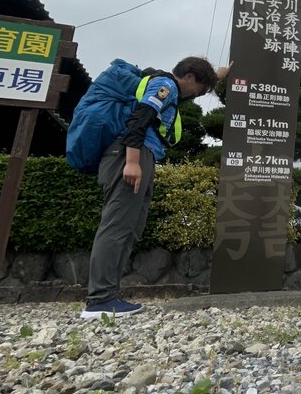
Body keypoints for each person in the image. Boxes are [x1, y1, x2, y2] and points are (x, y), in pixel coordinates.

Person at [81, 56, 229, 319]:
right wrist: (132, 163)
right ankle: (100, 299)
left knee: (130, 228)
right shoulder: (165, 86)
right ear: (191, 77)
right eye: (202, 88)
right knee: (117, 226)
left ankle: (108, 296)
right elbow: (140, 119)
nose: (199, 94)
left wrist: (219, 74)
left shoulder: (170, 89)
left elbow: (164, 108)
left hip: (140, 155)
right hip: (130, 156)